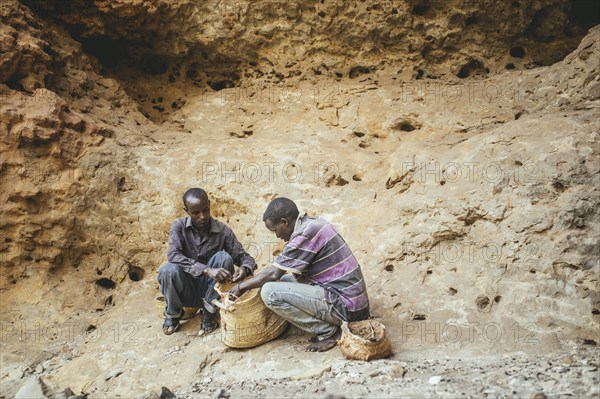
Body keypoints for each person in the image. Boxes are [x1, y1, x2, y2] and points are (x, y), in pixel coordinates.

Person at [228, 198, 370, 352]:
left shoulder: (306, 234)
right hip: (349, 298)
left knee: (269, 292)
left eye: (275, 230)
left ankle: (327, 332)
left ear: (285, 222)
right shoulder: (313, 223)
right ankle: (327, 326)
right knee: (280, 282)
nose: (277, 236)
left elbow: (274, 273)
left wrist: (241, 287)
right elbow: (279, 272)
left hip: (347, 306)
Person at [158, 188, 256, 335]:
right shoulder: (178, 226)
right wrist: (207, 270)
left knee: (224, 258)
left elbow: (244, 257)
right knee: (168, 270)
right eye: (195, 213)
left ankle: (209, 313)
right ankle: (173, 315)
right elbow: (173, 255)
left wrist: (245, 268)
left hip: (212, 292)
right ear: (187, 211)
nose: (202, 216)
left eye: (205, 210)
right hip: (185, 289)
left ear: (209, 205)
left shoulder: (223, 230)